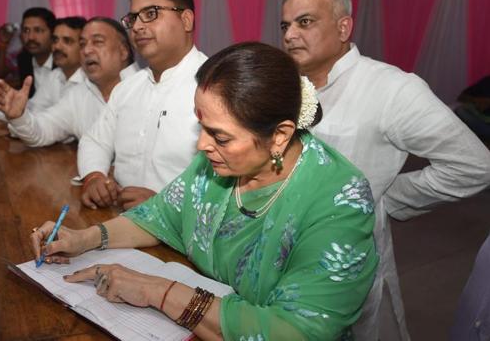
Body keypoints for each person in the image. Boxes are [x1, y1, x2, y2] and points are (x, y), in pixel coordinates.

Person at [30, 42, 379, 340]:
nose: (202, 145)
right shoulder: (220, 164)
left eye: (220, 136)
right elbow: (160, 216)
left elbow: (294, 330)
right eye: (202, 128)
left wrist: (157, 291)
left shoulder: (339, 202)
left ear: (280, 136)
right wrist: (84, 239)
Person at [279, 0, 490, 340]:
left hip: (350, 263)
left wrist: (388, 196)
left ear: (344, 26)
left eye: (305, 22)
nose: (289, 35)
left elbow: (474, 164)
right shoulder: (287, 87)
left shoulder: (391, 88)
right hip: (283, 256)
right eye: (285, 25)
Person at [78, 0, 206, 210]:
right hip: (119, 222)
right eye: (133, 18)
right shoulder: (127, 88)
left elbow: (234, 184)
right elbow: (95, 140)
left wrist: (165, 206)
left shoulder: (215, 86)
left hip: (184, 237)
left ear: (186, 20)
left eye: (151, 14)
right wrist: (94, 176)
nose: (137, 26)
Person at [0, 17, 137, 146]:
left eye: (97, 42)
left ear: (123, 51)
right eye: (82, 44)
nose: (86, 50)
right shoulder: (78, 95)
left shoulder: (147, 87)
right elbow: (41, 131)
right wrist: (19, 117)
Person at [0, 16, 86, 137]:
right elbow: (32, 110)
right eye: (55, 40)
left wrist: (7, 129)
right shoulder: (55, 76)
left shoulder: (89, 82)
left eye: (67, 41)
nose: (57, 47)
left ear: (84, 47)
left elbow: (60, 128)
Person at [0, 7, 56, 98]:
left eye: (38, 30)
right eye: (26, 30)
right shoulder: (24, 58)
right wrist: (3, 44)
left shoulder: (62, 60)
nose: (30, 37)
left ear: (53, 34)